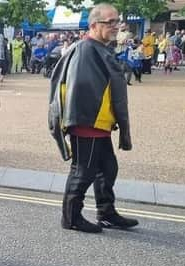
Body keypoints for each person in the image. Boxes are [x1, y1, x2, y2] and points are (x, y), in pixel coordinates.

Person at [48, 3, 138, 233]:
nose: (115, 26)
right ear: (94, 25)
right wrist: (82, 123)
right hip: (87, 122)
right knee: (83, 170)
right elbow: (81, 90)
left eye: (117, 21)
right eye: (110, 22)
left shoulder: (99, 48)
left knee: (108, 167)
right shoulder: (87, 49)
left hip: (99, 123)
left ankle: (106, 213)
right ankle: (71, 217)